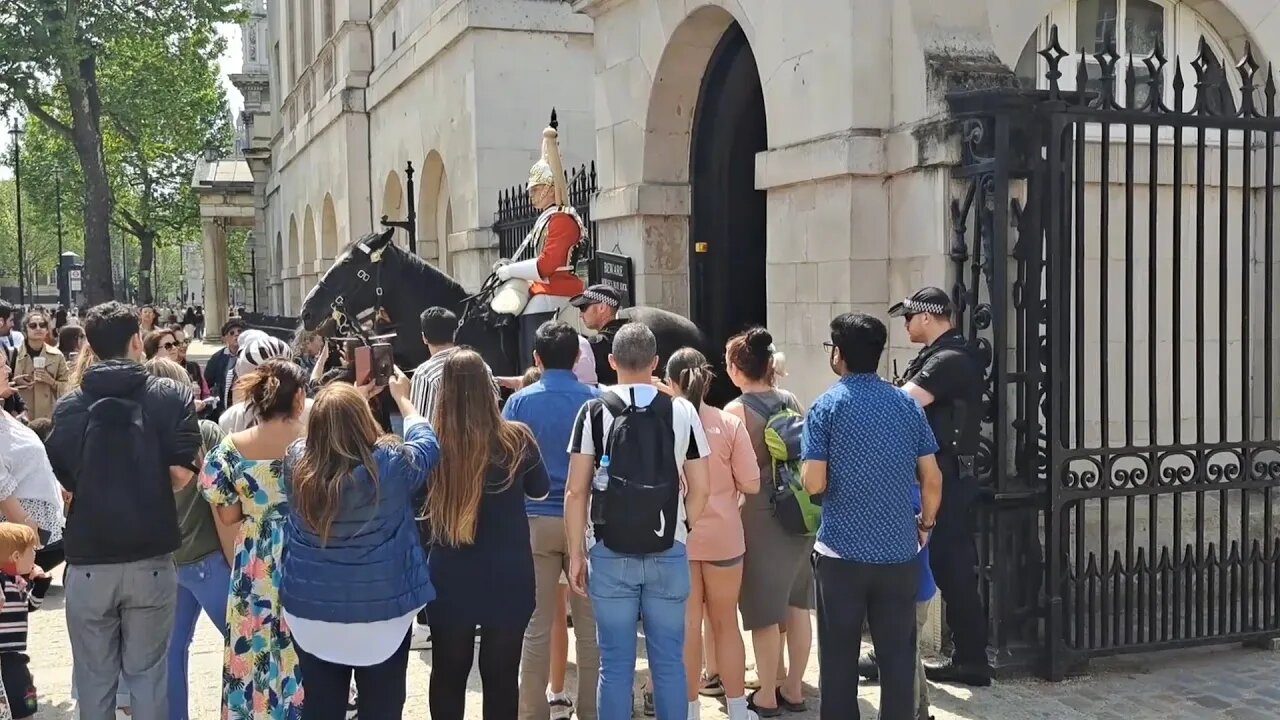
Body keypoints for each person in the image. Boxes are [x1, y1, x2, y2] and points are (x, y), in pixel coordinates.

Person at [45, 301, 201, 720]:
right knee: (149, 678)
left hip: (90, 559)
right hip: (150, 554)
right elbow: (183, 475)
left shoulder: (70, 407)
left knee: (95, 682)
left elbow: (64, 481)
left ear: (90, 347)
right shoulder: (171, 395)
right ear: (138, 341)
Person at [565, 324, 712, 720]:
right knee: (668, 664)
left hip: (610, 550)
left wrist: (577, 553)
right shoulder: (681, 410)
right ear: (655, 363)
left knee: (614, 667)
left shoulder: (593, 411)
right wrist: (685, 527)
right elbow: (701, 486)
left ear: (611, 362)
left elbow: (576, 491)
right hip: (668, 545)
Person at [802, 312, 942, 720]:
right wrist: (926, 524)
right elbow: (932, 477)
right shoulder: (905, 404)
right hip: (899, 551)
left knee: (838, 660)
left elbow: (813, 482)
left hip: (841, 553)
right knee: (898, 659)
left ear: (838, 354)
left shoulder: (826, 406)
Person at [281, 372, 437, 720]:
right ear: (363, 418)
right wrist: (404, 401)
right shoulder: (393, 465)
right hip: (383, 617)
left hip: (312, 615)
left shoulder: (295, 463)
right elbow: (428, 445)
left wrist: (343, 402)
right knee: (382, 708)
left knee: (321, 708)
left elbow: (322, 436)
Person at [424, 349, 550, 720]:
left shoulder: (432, 444)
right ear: (488, 388)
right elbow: (539, 490)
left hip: (450, 572)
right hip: (508, 572)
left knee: (447, 672)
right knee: (501, 676)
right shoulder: (516, 438)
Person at [889, 286, 991, 686]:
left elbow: (903, 403)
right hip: (936, 474)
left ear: (927, 317)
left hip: (946, 477)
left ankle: (971, 660)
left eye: (909, 318)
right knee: (937, 567)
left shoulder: (948, 359)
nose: (906, 325)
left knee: (951, 568)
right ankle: (945, 655)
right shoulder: (940, 356)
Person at [199, 359, 307, 719]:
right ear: (299, 398)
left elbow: (228, 515)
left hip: (256, 559)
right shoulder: (314, 444)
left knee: (256, 643)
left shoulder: (229, 449)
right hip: (305, 552)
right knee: (302, 644)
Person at [504, 322, 600, 720]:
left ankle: (532, 713)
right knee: (592, 628)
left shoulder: (519, 403)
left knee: (536, 626)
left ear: (536, 358)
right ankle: (594, 710)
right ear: (578, 358)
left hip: (534, 519)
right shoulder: (595, 400)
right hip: (587, 522)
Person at [661, 348, 760, 720]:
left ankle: (688, 709)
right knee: (726, 623)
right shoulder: (727, 423)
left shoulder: (662, 424)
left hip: (677, 536)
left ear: (670, 382)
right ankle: (736, 707)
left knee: (686, 625)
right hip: (724, 536)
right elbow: (750, 483)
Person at [723, 328, 812, 716]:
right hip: (798, 510)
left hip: (759, 513)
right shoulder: (790, 399)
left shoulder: (735, 411)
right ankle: (793, 686)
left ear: (736, 369)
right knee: (796, 603)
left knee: (763, 609)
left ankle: (766, 695)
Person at [142, 358, 237, 720]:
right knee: (241, 649)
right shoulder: (205, 433)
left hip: (168, 562)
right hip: (212, 557)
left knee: (171, 655)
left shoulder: (140, 442)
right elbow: (230, 491)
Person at [493, 118, 587, 367]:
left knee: (531, 308)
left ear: (548, 188)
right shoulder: (548, 218)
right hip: (548, 285)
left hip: (559, 288)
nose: (530, 195)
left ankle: (530, 370)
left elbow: (547, 266)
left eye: (535, 190)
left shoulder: (562, 219)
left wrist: (510, 271)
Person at [409, 307, 498, 424]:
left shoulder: (425, 374)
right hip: (484, 440)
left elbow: (422, 425)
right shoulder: (481, 365)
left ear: (424, 338)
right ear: (454, 334)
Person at [0, 522, 52, 720]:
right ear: (15, 556)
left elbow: (30, 605)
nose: (35, 556)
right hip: (5, 656)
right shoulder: (4, 581)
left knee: (28, 697)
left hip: (16, 656)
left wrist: (40, 584)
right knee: (20, 699)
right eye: (31, 551)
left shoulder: (20, 582)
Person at [12, 310, 69, 422]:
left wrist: (51, 381)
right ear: (25, 330)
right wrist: (18, 383)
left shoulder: (57, 356)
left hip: (48, 418)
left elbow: (67, 387)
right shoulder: (14, 354)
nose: (38, 328)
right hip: (23, 418)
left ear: (47, 330)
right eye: (33, 325)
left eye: (42, 325)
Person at [571, 285, 627, 386]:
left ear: (602, 308)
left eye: (583, 308)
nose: (581, 315)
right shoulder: (631, 335)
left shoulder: (594, 344)